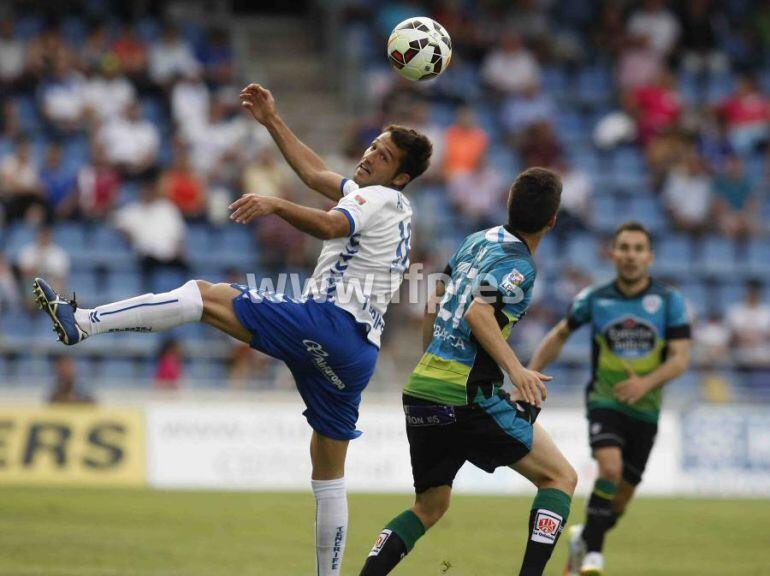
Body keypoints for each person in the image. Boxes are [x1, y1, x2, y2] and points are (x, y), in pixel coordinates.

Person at [33, 82, 432, 576]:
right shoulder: (388, 204)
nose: (371, 154)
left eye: (384, 154)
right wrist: (271, 120)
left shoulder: (378, 199)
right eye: (374, 144)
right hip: (356, 355)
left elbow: (332, 227)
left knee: (204, 295)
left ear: (403, 176)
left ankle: (83, 323)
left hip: (330, 324)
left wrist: (276, 205)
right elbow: (314, 171)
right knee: (329, 473)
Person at [358, 168, 577, 576]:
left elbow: (435, 298)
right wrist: (517, 371)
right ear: (552, 221)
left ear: (509, 204)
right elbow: (479, 312)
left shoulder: (477, 240)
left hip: (424, 387)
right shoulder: (519, 266)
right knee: (560, 478)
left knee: (429, 507)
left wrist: (433, 360)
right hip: (465, 395)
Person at [528, 221, 692, 576]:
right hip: (605, 400)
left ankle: (583, 538)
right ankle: (593, 557)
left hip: (646, 410)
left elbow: (680, 359)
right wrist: (530, 371)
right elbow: (559, 334)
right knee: (610, 469)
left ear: (649, 256)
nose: (631, 256)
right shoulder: (596, 298)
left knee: (620, 498)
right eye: (624, 248)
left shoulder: (668, 301)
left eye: (638, 249)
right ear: (613, 253)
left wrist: (645, 383)